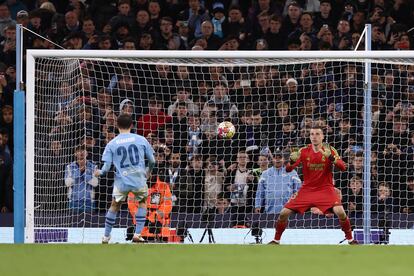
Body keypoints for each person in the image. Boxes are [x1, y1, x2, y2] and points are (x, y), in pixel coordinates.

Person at [269, 125, 358, 245]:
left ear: (322, 136)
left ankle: (351, 240)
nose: (314, 137)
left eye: (317, 134)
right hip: (307, 190)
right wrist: (291, 161)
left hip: (326, 189)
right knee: (283, 213)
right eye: (312, 134)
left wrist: (330, 158)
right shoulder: (303, 151)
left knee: (341, 212)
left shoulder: (330, 150)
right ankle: (276, 240)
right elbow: (289, 169)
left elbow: (343, 167)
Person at [95, 114, 155, 244]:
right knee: (143, 202)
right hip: (139, 179)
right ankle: (137, 234)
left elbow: (106, 168)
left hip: (122, 181)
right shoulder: (141, 139)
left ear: (117, 126)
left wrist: (99, 172)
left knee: (114, 206)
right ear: (132, 125)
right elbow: (152, 160)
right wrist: (148, 171)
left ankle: (106, 236)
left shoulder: (111, 144)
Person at [255, 149, 301, 214]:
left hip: (288, 212)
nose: (277, 159)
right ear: (272, 159)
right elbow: (260, 192)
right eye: (275, 158)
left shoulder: (292, 172)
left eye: (280, 157)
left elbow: (298, 191)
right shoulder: (265, 174)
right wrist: (257, 206)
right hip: (269, 213)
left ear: (284, 159)